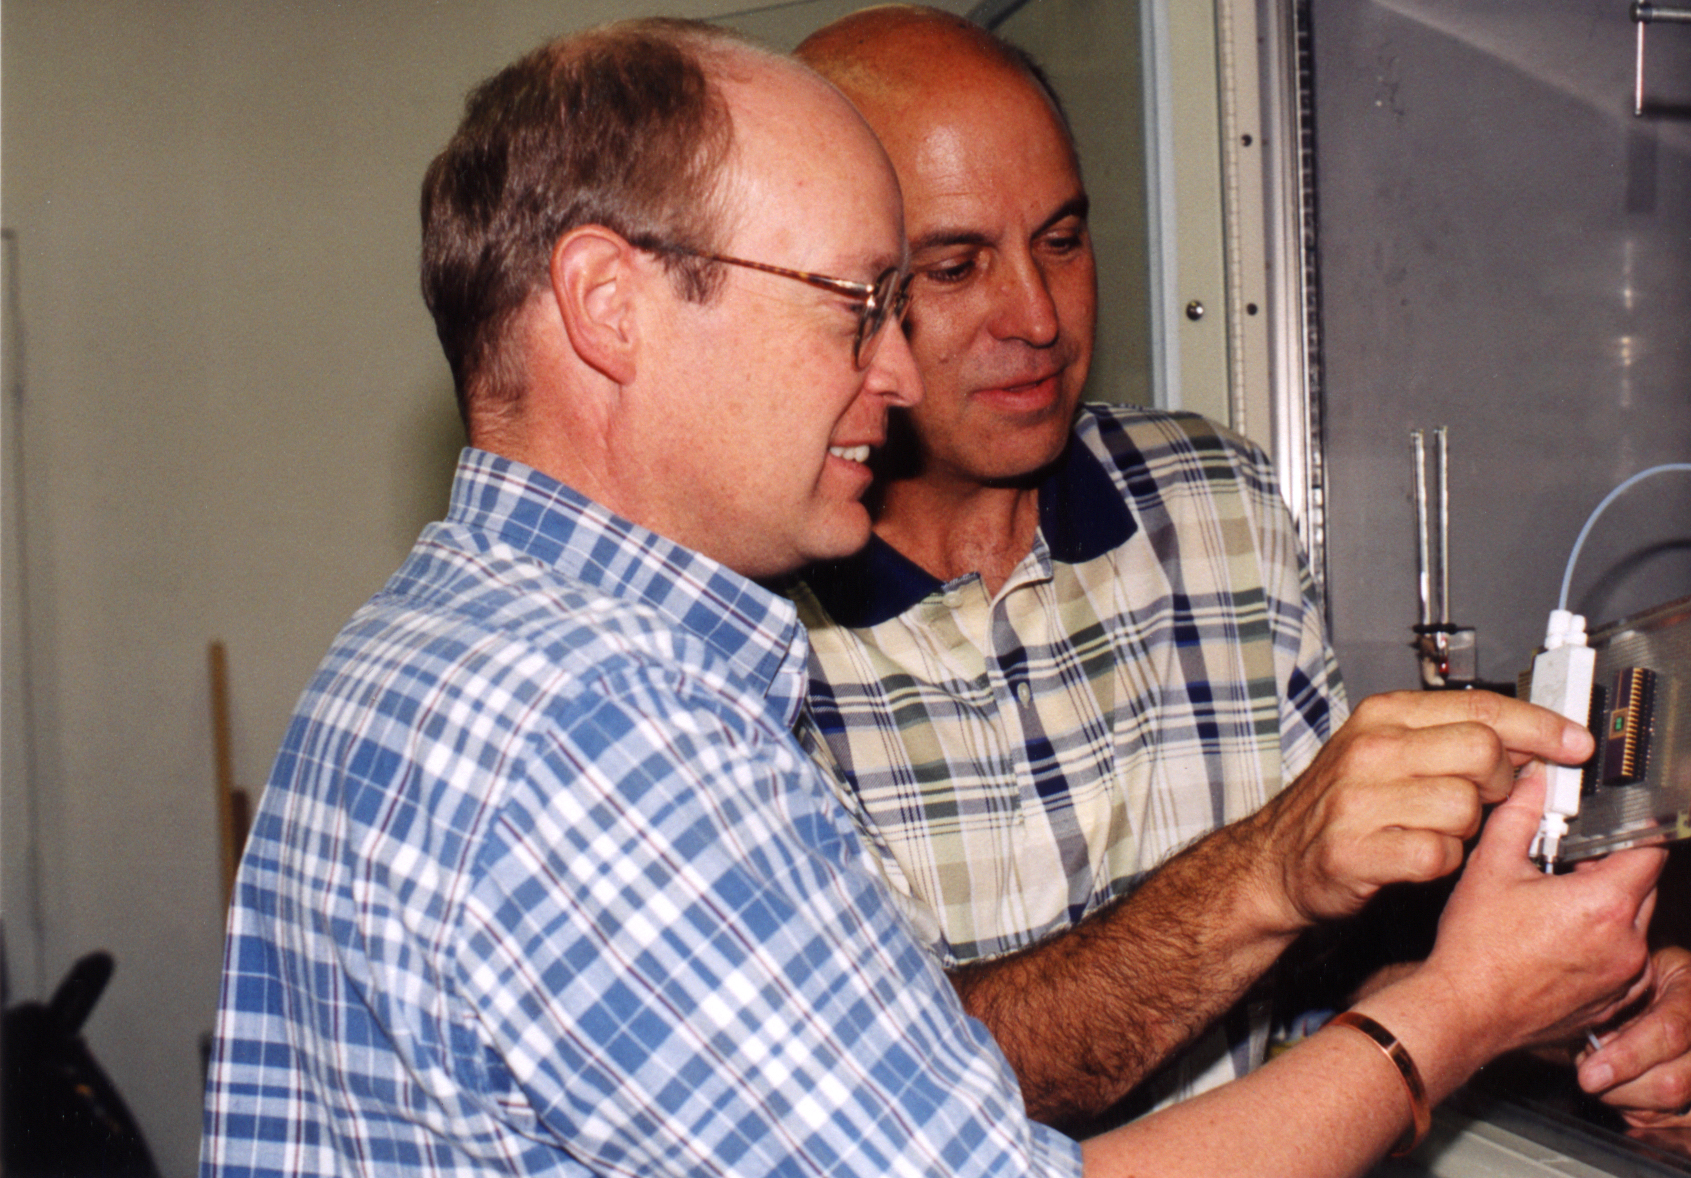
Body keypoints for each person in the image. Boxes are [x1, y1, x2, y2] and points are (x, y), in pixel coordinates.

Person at [200, 17, 1664, 1178]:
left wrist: (1546, 991)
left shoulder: (441, 644)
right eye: (862, 300)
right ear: (608, 304)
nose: (894, 369)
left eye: (1060, 239)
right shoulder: (600, 731)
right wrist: (1445, 1014)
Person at [792, 3, 1691, 1133]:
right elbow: (887, 1093)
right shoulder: (751, 616)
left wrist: (1571, 1001)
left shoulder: (1209, 499)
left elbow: (1330, 992)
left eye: (1061, 240)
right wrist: (1263, 871)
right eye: (955, 265)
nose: (1036, 316)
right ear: (840, 291)